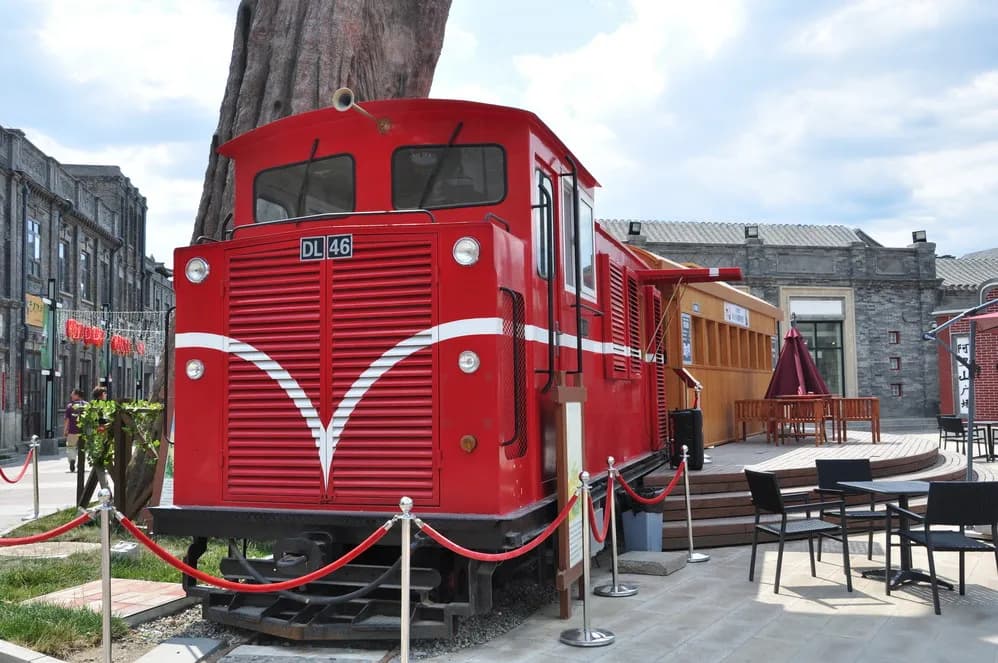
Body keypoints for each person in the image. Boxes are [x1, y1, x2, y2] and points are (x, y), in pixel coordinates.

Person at [63, 389, 87, 473]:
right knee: (82, 449)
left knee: (71, 448)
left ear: (77, 395)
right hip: (83, 432)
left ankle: (72, 460)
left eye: (72, 394)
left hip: (72, 431)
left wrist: (65, 430)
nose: (71, 395)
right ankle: (81, 464)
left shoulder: (70, 406)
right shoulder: (86, 405)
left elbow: (67, 420)